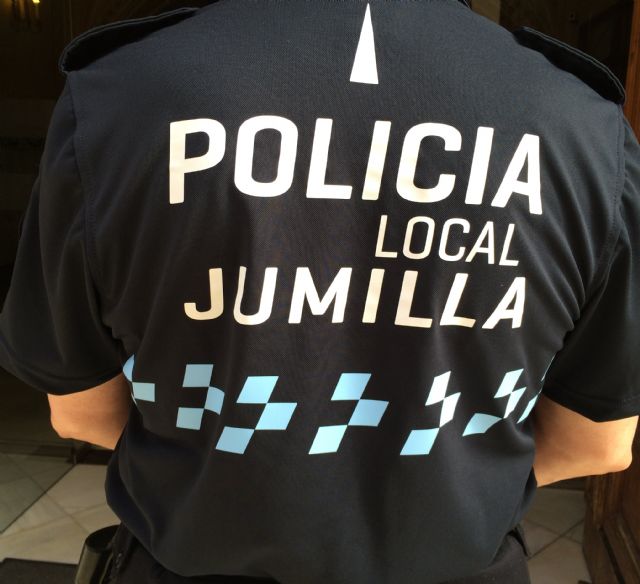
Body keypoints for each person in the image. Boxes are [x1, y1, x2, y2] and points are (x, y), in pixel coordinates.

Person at [1, 0, 639, 582]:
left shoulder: (121, 93)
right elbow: (598, 444)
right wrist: (455, 480)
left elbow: (80, 412)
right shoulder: (581, 124)